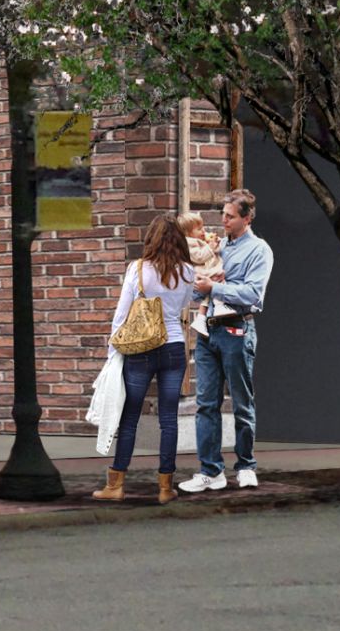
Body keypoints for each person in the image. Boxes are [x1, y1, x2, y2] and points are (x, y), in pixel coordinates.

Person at [99, 211, 201, 504]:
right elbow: (184, 306)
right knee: (169, 420)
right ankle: (166, 488)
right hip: (174, 347)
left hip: (141, 348)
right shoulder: (187, 271)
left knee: (130, 417)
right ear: (179, 240)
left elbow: (121, 314)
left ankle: (116, 485)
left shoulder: (138, 269)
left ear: (151, 239)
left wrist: (112, 353)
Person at [183, 190, 275, 496]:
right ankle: (211, 471)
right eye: (223, 214)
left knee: (241, 402)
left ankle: (246, 466)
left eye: (230, 216)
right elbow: (197, 291)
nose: (223, 220)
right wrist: (200, 285)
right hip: (207, 332)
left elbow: (253, 295)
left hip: (237, 330)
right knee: (205, 404)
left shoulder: (259, 250)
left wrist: (216, 287)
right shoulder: (216, 246)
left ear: (247, 218)